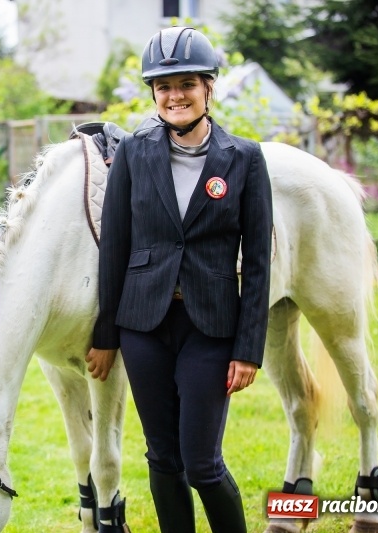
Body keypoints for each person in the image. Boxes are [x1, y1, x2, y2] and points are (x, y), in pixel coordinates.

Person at [85, 27, 273, 533]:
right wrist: (106, 337)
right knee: (162, 458)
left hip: (210, 329)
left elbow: (257, 262)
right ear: (153, 93)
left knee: (202, 463)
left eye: (186, 83)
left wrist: (248, 348)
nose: (175, 96)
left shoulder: (246, 159)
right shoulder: (133, 153)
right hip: (143, 326)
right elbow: (115, 250)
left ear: (208, 87)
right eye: (164, 86)